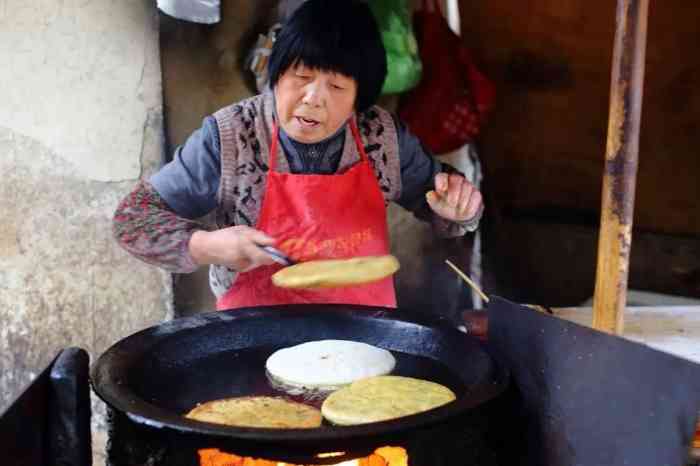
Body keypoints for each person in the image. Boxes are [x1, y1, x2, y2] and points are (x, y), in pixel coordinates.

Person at [113, 0, 483, 310]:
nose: (313, 99)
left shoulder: (383, 138)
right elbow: (133, 219)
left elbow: (443, 206)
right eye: (301, 77)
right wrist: (207, 245)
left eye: (336, 86)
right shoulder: (230, 137)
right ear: (275, 75)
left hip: (363, 335)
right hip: (253, 339)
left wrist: (460, 210)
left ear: (360, 100)